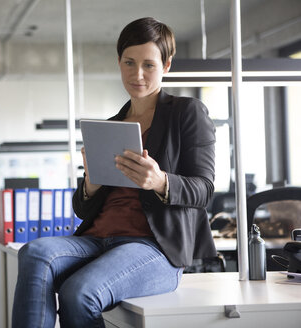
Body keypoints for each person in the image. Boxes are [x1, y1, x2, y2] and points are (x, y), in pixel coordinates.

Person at [12, 17, 216, 328]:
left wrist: (160, 181)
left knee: (78, 292)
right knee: (34, 252)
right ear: (119, 63)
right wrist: (90, 183)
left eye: (149, 65)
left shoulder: (186, 113)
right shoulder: (110, 126)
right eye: (129, 63)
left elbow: (205, 189)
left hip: (153, 247)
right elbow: (82, 208)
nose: (138, 74)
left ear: (167, 65)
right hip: (96, 240)